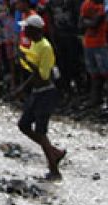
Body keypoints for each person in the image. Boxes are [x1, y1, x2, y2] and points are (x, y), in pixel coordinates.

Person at [14, 15, 66, 179]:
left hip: (46, 93)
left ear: (35, 30)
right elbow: (34, 72)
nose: (24, 30)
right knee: (24, 125)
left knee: (41, 131)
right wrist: (23, 87)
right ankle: (54, 152)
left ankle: (54, 170)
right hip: (37, 92)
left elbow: (43, 75)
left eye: (27, 28)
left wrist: (25, 60)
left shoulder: (45, 47)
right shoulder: (35, 45)